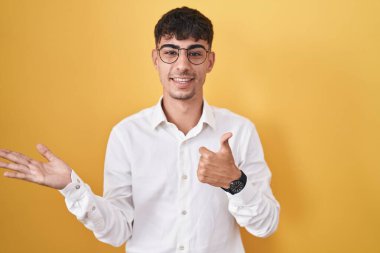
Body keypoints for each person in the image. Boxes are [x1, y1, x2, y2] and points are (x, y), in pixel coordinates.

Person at [0, 6, 280, 253]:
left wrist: (235, 182)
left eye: (195, 53)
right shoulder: (126, 135)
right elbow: (118, 230)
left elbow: (266, 225)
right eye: (170, 52)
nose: (182, 65)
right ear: (156, 59)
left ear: (210, 61)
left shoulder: (240, 131)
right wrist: (71, 188)